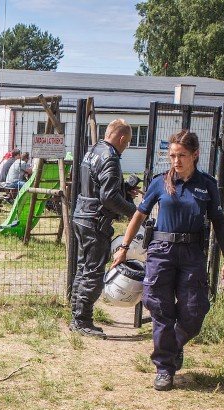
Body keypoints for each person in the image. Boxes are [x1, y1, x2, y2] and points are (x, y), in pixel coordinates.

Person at [112, 129, 224, 391]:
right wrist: (123, 247)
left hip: (192, 253)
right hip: (162, 250)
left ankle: (173, 344)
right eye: (172, 156)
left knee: (194, 311)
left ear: (195, 155)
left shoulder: (207, 185)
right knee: (160, 309)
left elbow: (219, 224)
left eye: (182, 156)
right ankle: (164, 368)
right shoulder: (160, 182)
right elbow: (139, 216)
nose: (176, 161)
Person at [70, 118, 138, 338]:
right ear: (121, 138)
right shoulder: (111, 159)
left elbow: (96, 184)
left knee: (83, 267)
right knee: (93, 271)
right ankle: (82, 320)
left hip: (82, 215)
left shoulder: (95, 150)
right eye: (127, 143)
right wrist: (132, 212)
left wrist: (124, 188)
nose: (125, 148)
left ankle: (77, 316)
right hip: (95, 221)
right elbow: (108, 197)